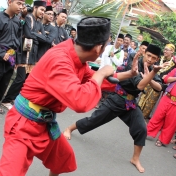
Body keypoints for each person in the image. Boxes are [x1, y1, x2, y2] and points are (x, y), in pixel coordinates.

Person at [0, 17, 139, 176]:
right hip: (24, 125)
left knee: (64, 159)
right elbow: (80, 101)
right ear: (98, 48)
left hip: (44, 123)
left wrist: (129, 74)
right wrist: (102, 72)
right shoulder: (60, 60)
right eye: (105, 45)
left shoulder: (77, 58)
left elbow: (94, 79)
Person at [63, 44, 168, 173]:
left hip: (130, 103)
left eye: (153, 58)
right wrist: (152, 73)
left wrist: (151, 75)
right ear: (145, 54)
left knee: (141, 128)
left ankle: (135, 158)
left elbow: (159, 88)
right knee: (94, 120)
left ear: (157, 59)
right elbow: (140, 86)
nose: (150, 59)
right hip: (117, 98)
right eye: (149, 56)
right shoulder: (134, 64)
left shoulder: (152, 68)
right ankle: (69, 128)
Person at [1, 1, 48, 110]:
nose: (43, 12)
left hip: (33, 55)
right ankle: (6, 100)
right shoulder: (28, 18)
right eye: (41, 10)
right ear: (35, 8)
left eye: (44, 11)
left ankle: (14, 98)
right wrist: (38, 35)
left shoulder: (40, 23)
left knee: (26, 80)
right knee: (20, 79)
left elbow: (45, 39)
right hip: (24, 53)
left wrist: (35, 34)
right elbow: (27, 34)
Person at [138, 43, 176, 119]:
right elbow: (152, 67)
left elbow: (168, 75)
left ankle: (143, 117)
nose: (164, 51)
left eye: (167, 49)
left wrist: (161, 77)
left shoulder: (173, 64)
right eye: (164, 49)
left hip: (158, 83)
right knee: (143, 96)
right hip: (150, 77)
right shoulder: (158, 58)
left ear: (172, 51)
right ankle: (136, 113)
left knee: (151, 101)